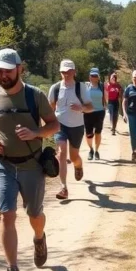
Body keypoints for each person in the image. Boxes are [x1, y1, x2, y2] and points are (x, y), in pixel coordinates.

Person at [0, 49, 59, 271]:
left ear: (19, 69)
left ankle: (39, 237)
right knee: (7, 215)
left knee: (34, 214)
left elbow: (54, 124)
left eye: (7, 70)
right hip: (2, 165)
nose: (3, 75)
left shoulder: (36, 96)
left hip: (32, 164)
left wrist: (36, 133)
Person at [49, 59, 93, 200]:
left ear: (74, 72)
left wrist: (82, 108)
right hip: (60, 125)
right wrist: (47, 127)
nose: (65, 74)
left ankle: (78, 165)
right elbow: (50, 109)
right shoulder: (55, 88)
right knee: (62, 152)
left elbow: (90, 107)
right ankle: (63, 188)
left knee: (74, 157)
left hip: (77, 126)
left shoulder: (81, 88)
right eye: (63, 72)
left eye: (68, 72)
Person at [84, 67, 106, 161]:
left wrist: (106, 107)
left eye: (95, 75)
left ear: (98, 77)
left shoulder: (102, 86)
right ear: (89, 76)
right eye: (92, 75)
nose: (93, 77)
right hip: (88, 113)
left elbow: (105, 98)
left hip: (99, 112)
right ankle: (91, 149)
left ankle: (96, 151)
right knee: (89, 134)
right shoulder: (85, 86)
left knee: (98, 132)